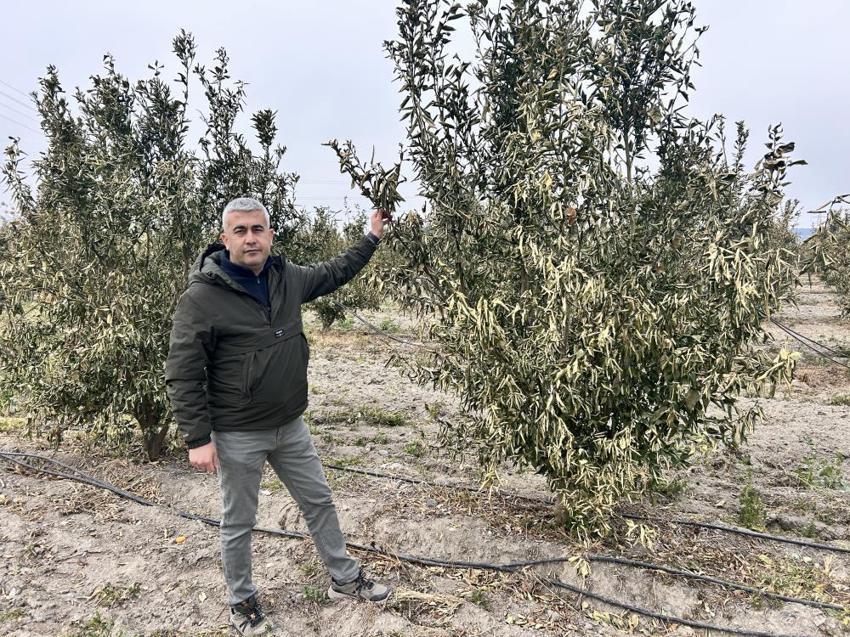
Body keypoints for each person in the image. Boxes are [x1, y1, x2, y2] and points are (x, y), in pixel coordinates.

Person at [165, 197, 390, 636]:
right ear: (225, 238)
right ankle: (242, 604)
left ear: (270, 235)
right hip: (237, 432)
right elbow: (182, 371)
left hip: (290, 426)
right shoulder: (202, 298)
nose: (251, 238)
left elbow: (334, 271)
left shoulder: (287, 278)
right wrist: (197, 437)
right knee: (239, 521)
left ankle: (344, 580)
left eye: (258, 229)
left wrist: (371, 238)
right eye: (241, 231)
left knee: (319, 501)